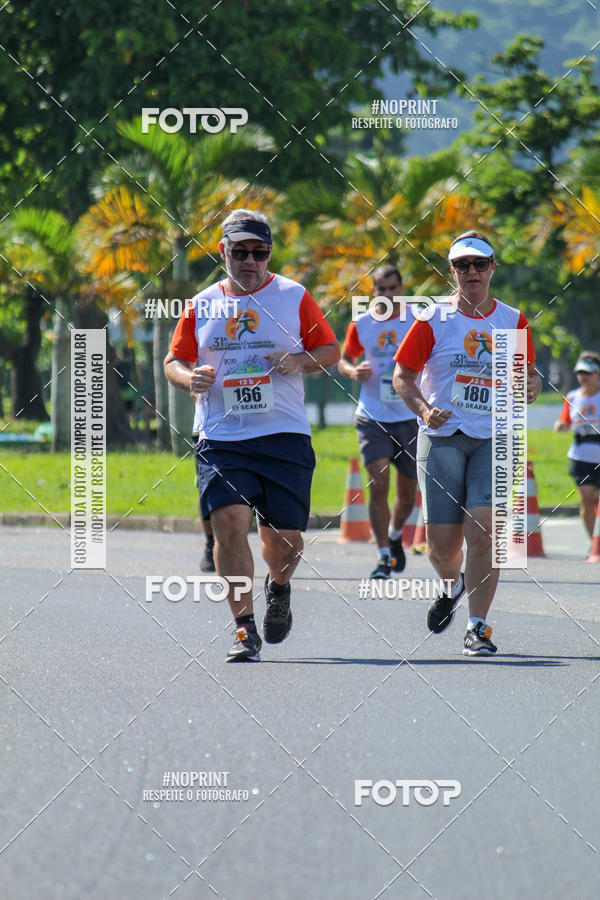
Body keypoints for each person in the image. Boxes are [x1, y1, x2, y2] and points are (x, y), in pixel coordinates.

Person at [164, 209, 340, 662]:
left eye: (259, 253)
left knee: (284, 542)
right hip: (222, 436)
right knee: (229, 525)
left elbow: (330, 349)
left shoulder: (292, 295)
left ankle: (278, 586)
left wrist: (300, 362)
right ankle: (243, 626)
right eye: (240, 252)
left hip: (283, 433)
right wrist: (190, 379)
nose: (250, 261)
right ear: (223, 252)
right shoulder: (201, 304)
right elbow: (173, 361)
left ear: (269, 254)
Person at [393, 231, 541, 657]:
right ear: (451, 271)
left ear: (493, 268)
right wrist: (422, 410)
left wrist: (529, 385)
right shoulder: (433, 319)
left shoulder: (513, 320)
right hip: (442, 439)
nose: (471, 272)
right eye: (462, 265)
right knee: (442, 546)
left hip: (495, 439)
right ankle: (452, 584)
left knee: (486, 530)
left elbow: (527, 373)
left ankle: (478, 626)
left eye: (479, 264)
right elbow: (402, 376)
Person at [338, 265, 418, 578]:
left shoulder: (417, 321)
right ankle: (383, 554)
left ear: (401, 288)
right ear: (373, 292)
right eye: (380, 289)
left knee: (408, 492)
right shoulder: (363, 323)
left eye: (392, 288)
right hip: (372, 415)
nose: (386, 294)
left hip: (410, 415)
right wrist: (352, 371)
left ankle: (396, 535)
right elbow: (345, 359)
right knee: (378, 482)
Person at [554, 352, 600, 538]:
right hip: (580, 456)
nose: (583, 377)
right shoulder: (572, 397)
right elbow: (563, 421)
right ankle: (595, 545)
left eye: (587, 373)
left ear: (597, 373)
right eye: (580, 373)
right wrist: (560, 426)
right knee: (588, 501)